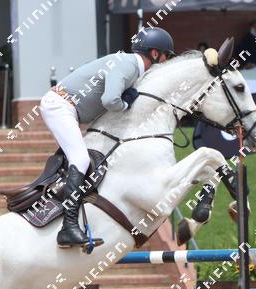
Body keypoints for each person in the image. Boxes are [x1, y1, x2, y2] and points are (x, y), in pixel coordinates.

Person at [42, 27, 174, 249]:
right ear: (154, 53)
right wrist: (125, 104)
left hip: (67, 108)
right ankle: (68, 228)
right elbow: (110, 100)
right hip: (60, 106)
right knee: (81, 160)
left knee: (82, 160)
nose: (166, 60)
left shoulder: (130, 66)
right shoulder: (129, 64)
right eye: (166, 55)